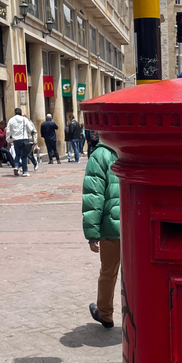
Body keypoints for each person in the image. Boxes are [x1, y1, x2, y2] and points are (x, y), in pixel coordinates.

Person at [82, 137, 120, 329]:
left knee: (108, 273)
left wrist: (92, 233)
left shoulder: (100, 155)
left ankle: (105, 314)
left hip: (111, 227)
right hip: (138, 225)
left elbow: (93, 196)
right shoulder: (137, 147)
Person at [6, 108, 36, 177]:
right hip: (24, 139)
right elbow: (31, 128)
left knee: (17, 154)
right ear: (20, 112)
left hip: (16, 140)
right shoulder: (24, 119)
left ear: (15, 113)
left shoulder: (11, 120)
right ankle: (24, 171)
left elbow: (8, 131)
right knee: (24, 156)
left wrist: (8, 140)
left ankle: (16, 166)